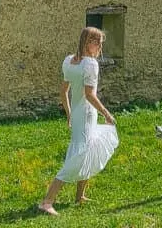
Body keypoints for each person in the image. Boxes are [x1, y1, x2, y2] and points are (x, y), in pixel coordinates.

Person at [38, 26, 118, 216]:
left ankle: (80, 195)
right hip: (87, 114)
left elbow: (63, 91)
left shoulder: (69, 61)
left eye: (100, 42)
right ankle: (47, 201)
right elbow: (90, 95)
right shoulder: (91, 64)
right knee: (79, 155)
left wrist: (70, 114)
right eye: (96, 42)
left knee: (87, 149)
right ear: (86, 42)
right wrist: (107, 113)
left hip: (80, 115)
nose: (99, 46)